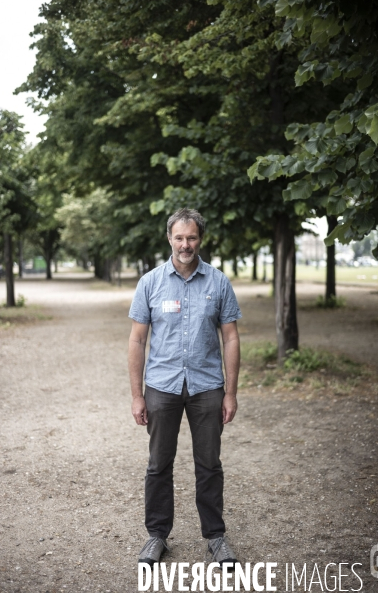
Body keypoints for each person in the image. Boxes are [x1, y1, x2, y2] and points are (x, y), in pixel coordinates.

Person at [128, 208, 241, 567]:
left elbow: (231, 338)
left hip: (207, 386)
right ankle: (156, 537)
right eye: (179, 237)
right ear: (169, 239)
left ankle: (216, 538)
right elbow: (136, 341)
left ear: (200, 239)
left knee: (209, 463)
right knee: (159, 464)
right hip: (161, 387)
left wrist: (231, 392)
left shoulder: (219, 282)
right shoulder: (150, 283)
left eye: (191, 237)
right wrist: (136, 395)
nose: (185, 244)